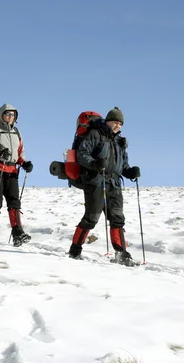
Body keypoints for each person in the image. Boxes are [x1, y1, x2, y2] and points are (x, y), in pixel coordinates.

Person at [67, 107, 141, 265]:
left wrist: (130, 172)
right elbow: (82, 154)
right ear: (108, 121)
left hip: (114, 183)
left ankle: (121, 253)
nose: (118, 126)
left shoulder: (120, 142)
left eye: (121, 123)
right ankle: (75, 249)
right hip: (96, 180)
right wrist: (94, 164)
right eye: (116, 122)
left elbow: (123, 165)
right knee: (91, 218)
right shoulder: (95, 134)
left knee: (117, 218)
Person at [0, 103, 33, 247]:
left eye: (13, 115)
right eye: (8, 114)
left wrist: (25, 163)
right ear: (1, 114)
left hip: (11, 171)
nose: (10, 117)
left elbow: (20, 152)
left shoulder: (17, 132)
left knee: (14, 202)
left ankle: (18, 234)